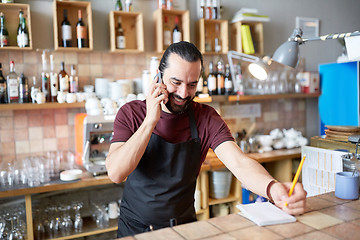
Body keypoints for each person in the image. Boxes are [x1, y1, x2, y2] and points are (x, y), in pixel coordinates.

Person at [106, 41, 307, 238]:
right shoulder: (131, 113)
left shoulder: (206, 117)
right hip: (136, 231)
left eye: (192, 84)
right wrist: (150, 121)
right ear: (158, 76)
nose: (184, 93)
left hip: (184, 230)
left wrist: (273, 189)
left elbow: (240, 163)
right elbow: (116, 173)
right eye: (176, 82)